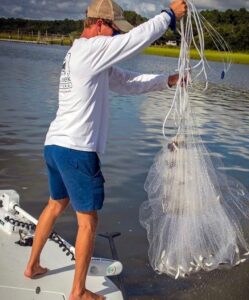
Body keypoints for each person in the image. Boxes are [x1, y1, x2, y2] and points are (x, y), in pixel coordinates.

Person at [24, 0, 187, 299]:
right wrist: (168, 16)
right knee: (88, 221)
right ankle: (78, 292)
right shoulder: (91, 50)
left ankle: (32, 266)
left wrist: (167, 80)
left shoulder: (79, 53)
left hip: (56, 145)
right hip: (76, 150)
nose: (114, 37)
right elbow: (135, 40)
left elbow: (127, 83)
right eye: (113, 29)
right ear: (99, 24)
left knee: (55, 204)